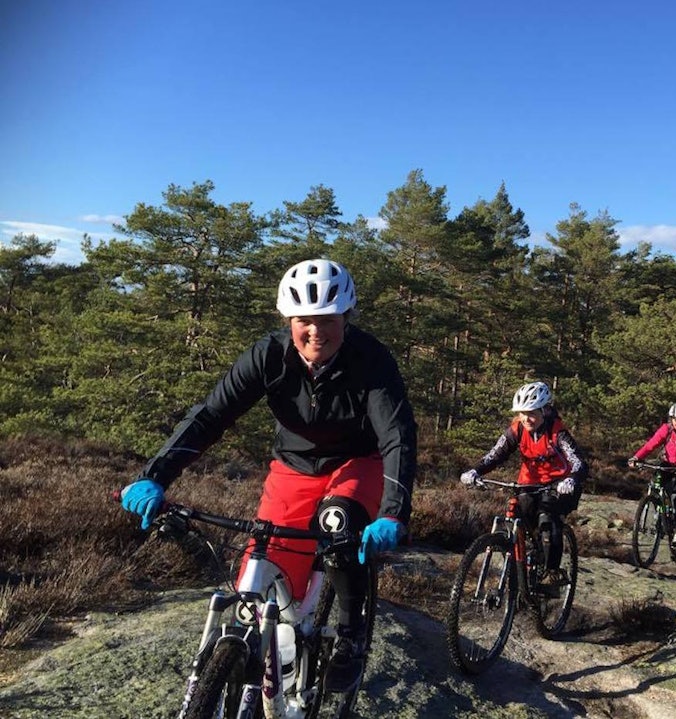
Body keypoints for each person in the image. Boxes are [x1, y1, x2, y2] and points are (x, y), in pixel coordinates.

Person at [120, 258, 417, 694]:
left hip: (357, 463)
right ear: (288, 320)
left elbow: (396, 436)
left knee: (338, 528)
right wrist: (155, 476)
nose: (315, 330)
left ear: (346, 319)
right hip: (293, 469)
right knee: (260, 577)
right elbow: (209, 417)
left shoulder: (370, 360)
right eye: (304, 320)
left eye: (327, 319)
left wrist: (393, 512)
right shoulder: (268, 356)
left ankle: (351, 636)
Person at [460, 381, 586, 586]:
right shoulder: (517, 429)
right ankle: (520, 562)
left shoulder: (557, 432)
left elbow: (578, 462)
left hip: (560, 483)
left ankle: (551, 573)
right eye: (522, 413)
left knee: (548, 518)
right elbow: (496, 454)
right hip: (529, 482)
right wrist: (476, 470)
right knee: (519, 516)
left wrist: (571, 479)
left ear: (544, 410)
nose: (527, 418)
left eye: (532, 413)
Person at [627, 403, 676, 547]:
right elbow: (650, 445)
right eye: (675, 419)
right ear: (671, 419)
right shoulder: (666, 430)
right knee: (656, 483)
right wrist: (636, 457)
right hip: (667, 463)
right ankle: (658, 512)